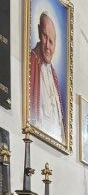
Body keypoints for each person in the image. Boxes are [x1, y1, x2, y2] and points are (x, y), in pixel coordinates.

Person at [28, 12, 65, 143]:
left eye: (51, 41)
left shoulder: (54, 76)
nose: (47, 46)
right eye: (45, 36)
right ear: (39, 32)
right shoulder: (31, 61)